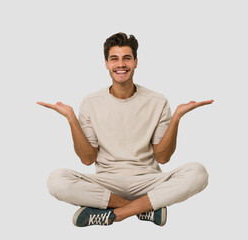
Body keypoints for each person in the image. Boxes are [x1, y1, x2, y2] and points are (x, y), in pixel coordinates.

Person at [37, 32, 214, 227]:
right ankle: (144, 209)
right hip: (107, 182)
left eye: (126, 58)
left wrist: (177, 117)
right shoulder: (90, 102)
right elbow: (87, 159)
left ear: (136, 62)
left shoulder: (157, 101)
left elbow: (162, 158)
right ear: (106, 64)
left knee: (198, 173)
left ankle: (117, 214)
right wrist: (71, 119)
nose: (121, 64)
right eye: (114, 59)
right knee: (57, 180)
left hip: (148, 180)